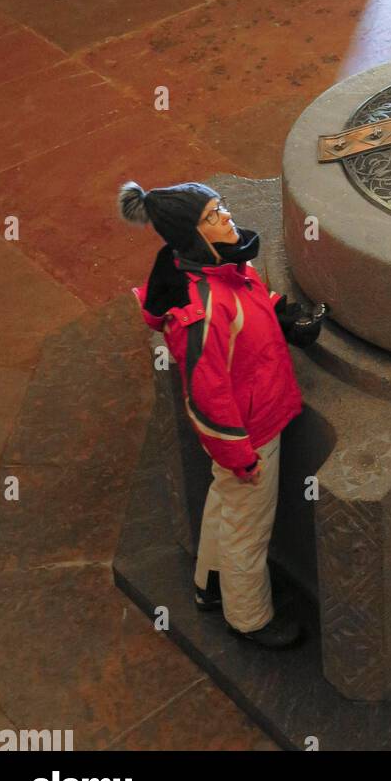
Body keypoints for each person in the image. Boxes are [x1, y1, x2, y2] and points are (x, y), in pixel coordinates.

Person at [119, 179, 326, 649]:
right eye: (213, 216)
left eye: (222, 207)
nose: (227, 218)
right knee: (247, 530)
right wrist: (241, 456)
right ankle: (249, 618)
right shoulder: (200, 313)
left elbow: (248, 303)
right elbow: (206, 397)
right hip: (249, 433)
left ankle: (209, 582)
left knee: (227, 504)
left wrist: (283, 317)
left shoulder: (221, 268)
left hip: (253, 419)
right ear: (193, 235)